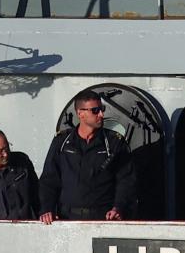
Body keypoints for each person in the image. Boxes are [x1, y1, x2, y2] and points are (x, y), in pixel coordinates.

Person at [39, 90, 136, 222]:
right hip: (68, 217)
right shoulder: (62, 142)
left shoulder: (114, 143)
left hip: (102, 218)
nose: (101, 114)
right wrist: (47, 209)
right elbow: (49, 180)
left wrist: (118, 208)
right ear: (80, 114)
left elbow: (126, 180)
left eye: (102, 109)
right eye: (95, 110)